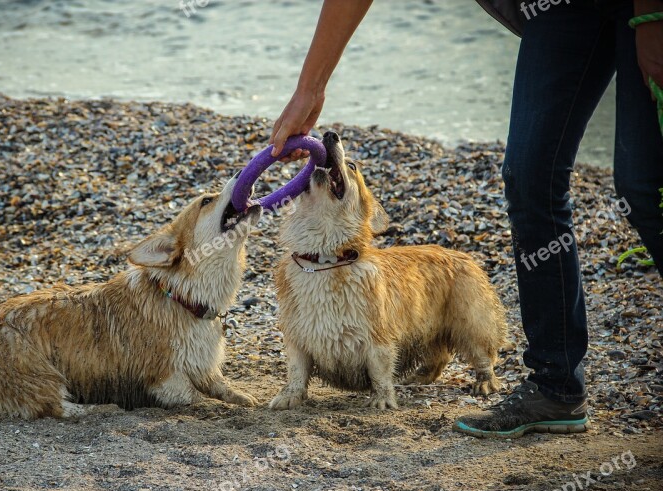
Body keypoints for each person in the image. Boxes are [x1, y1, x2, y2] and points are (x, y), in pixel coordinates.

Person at [268, 0, 663, 438]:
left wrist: (650, 17)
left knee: (644, 186)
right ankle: (557, 384)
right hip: (563, 8)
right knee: (528, 177)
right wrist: (311, 87)